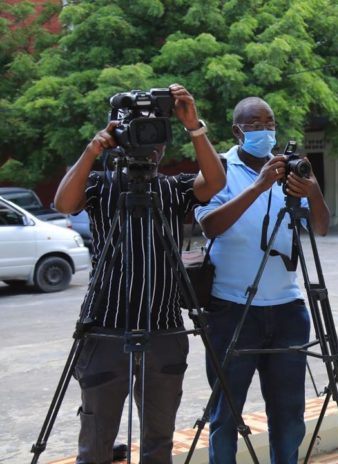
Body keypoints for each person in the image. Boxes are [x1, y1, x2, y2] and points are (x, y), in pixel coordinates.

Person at [54, 84, 226, 463]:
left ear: (165, 144)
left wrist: (194, 127)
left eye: (157, 135)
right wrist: (92, 149)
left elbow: (214, 183)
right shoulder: (100, 186)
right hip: (104, 328)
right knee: (96, 443)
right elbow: (64, 202)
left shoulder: (173, 189)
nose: (149, 144)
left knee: (158, 441)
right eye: (138, 133)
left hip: (164, 328)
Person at [195, 96, 330, 464]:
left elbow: (320, 226)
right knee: (225, 415)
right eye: (255, 125)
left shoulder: (290, 170)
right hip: (230, 309)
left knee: (288, 416)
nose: (265, 131)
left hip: (287, 309)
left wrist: (312, 187)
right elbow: (210, 226)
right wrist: (258, 185)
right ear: (238, 131)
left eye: (269, 123)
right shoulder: (219, 168)